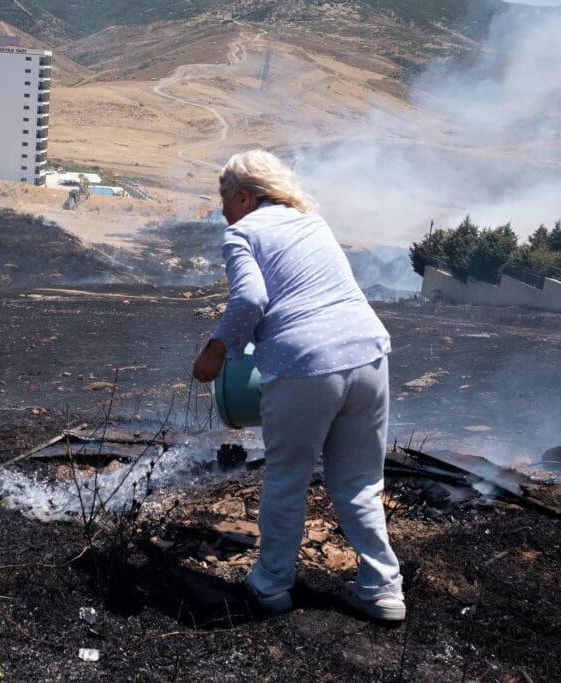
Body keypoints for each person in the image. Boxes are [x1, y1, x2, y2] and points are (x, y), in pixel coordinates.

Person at [192, 149, 405, 621]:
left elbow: (250, 298)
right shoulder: (312, 222)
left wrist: (216, 350)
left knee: (287, 480)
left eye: (224, 200)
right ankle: (383, 588)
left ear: (244, 197)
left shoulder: (243, 232)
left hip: (307, 365)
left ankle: (270, 584)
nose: (222, 211)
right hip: (369, 354)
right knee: (360, 482)